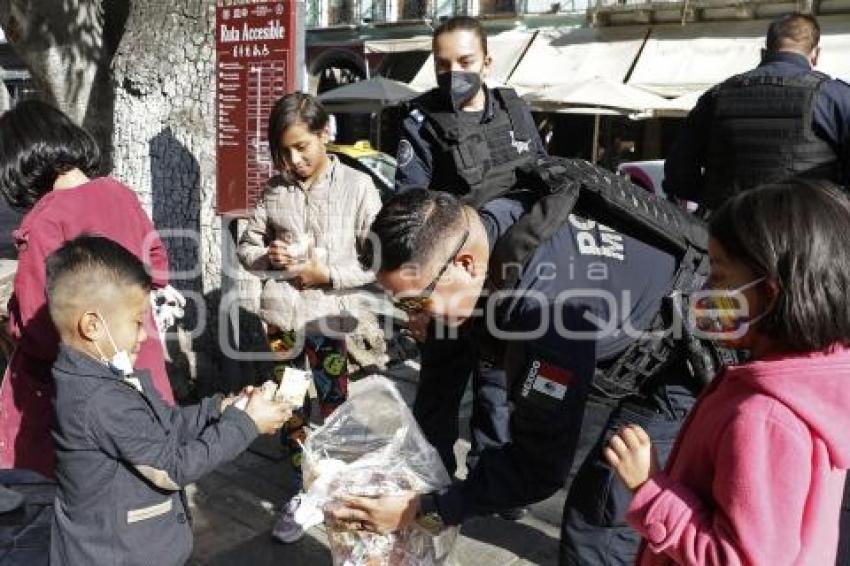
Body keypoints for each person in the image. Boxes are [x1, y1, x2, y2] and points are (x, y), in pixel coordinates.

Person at [327, 185, 704, 564]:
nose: (412, 318)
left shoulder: (549, 318)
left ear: (465, 265)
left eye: (415, 302)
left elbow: (538, 468)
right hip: (621, 319)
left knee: (596, 521)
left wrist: (424, 508)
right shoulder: (483, 221)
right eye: (400, 304)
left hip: (672, 363)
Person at [606, 179, 850, 565]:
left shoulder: (764, 417)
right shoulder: (814, 382)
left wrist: (650, 488)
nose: (704, 288)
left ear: (768, 295)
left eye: (717, 276)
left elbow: (739, 559)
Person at [46, 235, 290, 566]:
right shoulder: (100, 400)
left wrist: (218, 410)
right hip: (118, 555)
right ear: (92, 326)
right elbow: (172, 468)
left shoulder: (101, 375)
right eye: (136, 322)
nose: (144, 334)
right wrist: (245, 425)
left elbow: (165, 424)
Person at [393, 16, 547, 517]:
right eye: (443, 66)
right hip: (449, 285)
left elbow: (545, 188)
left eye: (464, 63)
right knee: (439, 391)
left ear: (487, 61)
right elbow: (410, 212)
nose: (454, 74)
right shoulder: (421, 122)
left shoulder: (516, 113)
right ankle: (432, 482)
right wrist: (415, 301)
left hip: (510, 278)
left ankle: (493, 481)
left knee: (498, 388)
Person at [237, 92, 383, 544]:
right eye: (283, 151)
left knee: (335, 407)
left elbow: (378, 259)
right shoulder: (274, 191)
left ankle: (339, 490)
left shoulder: (358, 188)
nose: (293, 159)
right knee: (290, 408)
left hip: (331, 322)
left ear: (325, 135)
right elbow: (247, 246)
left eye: (302, 146)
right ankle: (306, 490)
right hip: (283, 322)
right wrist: (269, 256)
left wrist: (329, 274)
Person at [0, 99, 175, 477]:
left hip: (82, 398)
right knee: (147, 473)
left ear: (20, 163)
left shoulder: (45, 220)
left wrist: (10, 319)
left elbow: (39, 330)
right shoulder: (120, 194)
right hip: (142, 370)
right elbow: (158, 268)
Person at [663, 13, 850, 210]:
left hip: (727, 229)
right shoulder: (835, 97)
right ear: (816, 54)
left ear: (764, 51)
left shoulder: (716, 97)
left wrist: (716, 199)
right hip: (809, 232)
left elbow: (678, 174)